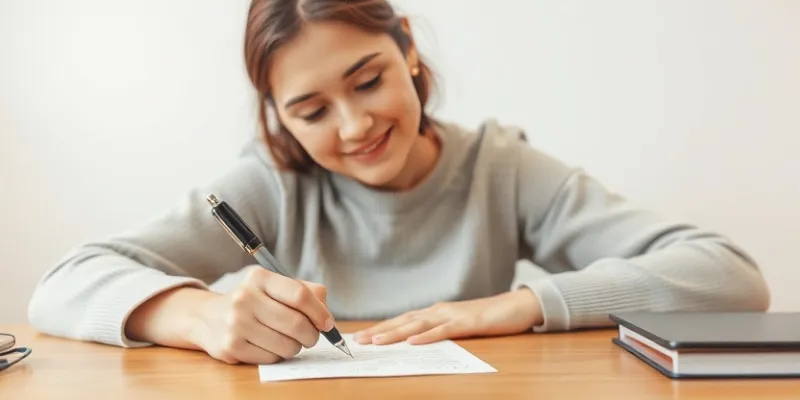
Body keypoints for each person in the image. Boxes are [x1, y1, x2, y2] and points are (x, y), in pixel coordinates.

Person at [27, 0, 770, 366]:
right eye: (311, 111)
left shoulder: (501, 169)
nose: (353, 127)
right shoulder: (272, 183)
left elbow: (728, 276)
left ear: (408, 47)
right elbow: (62, 283)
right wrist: (196, 316)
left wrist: (512, 306)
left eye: (369, 79)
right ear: (279, 119)